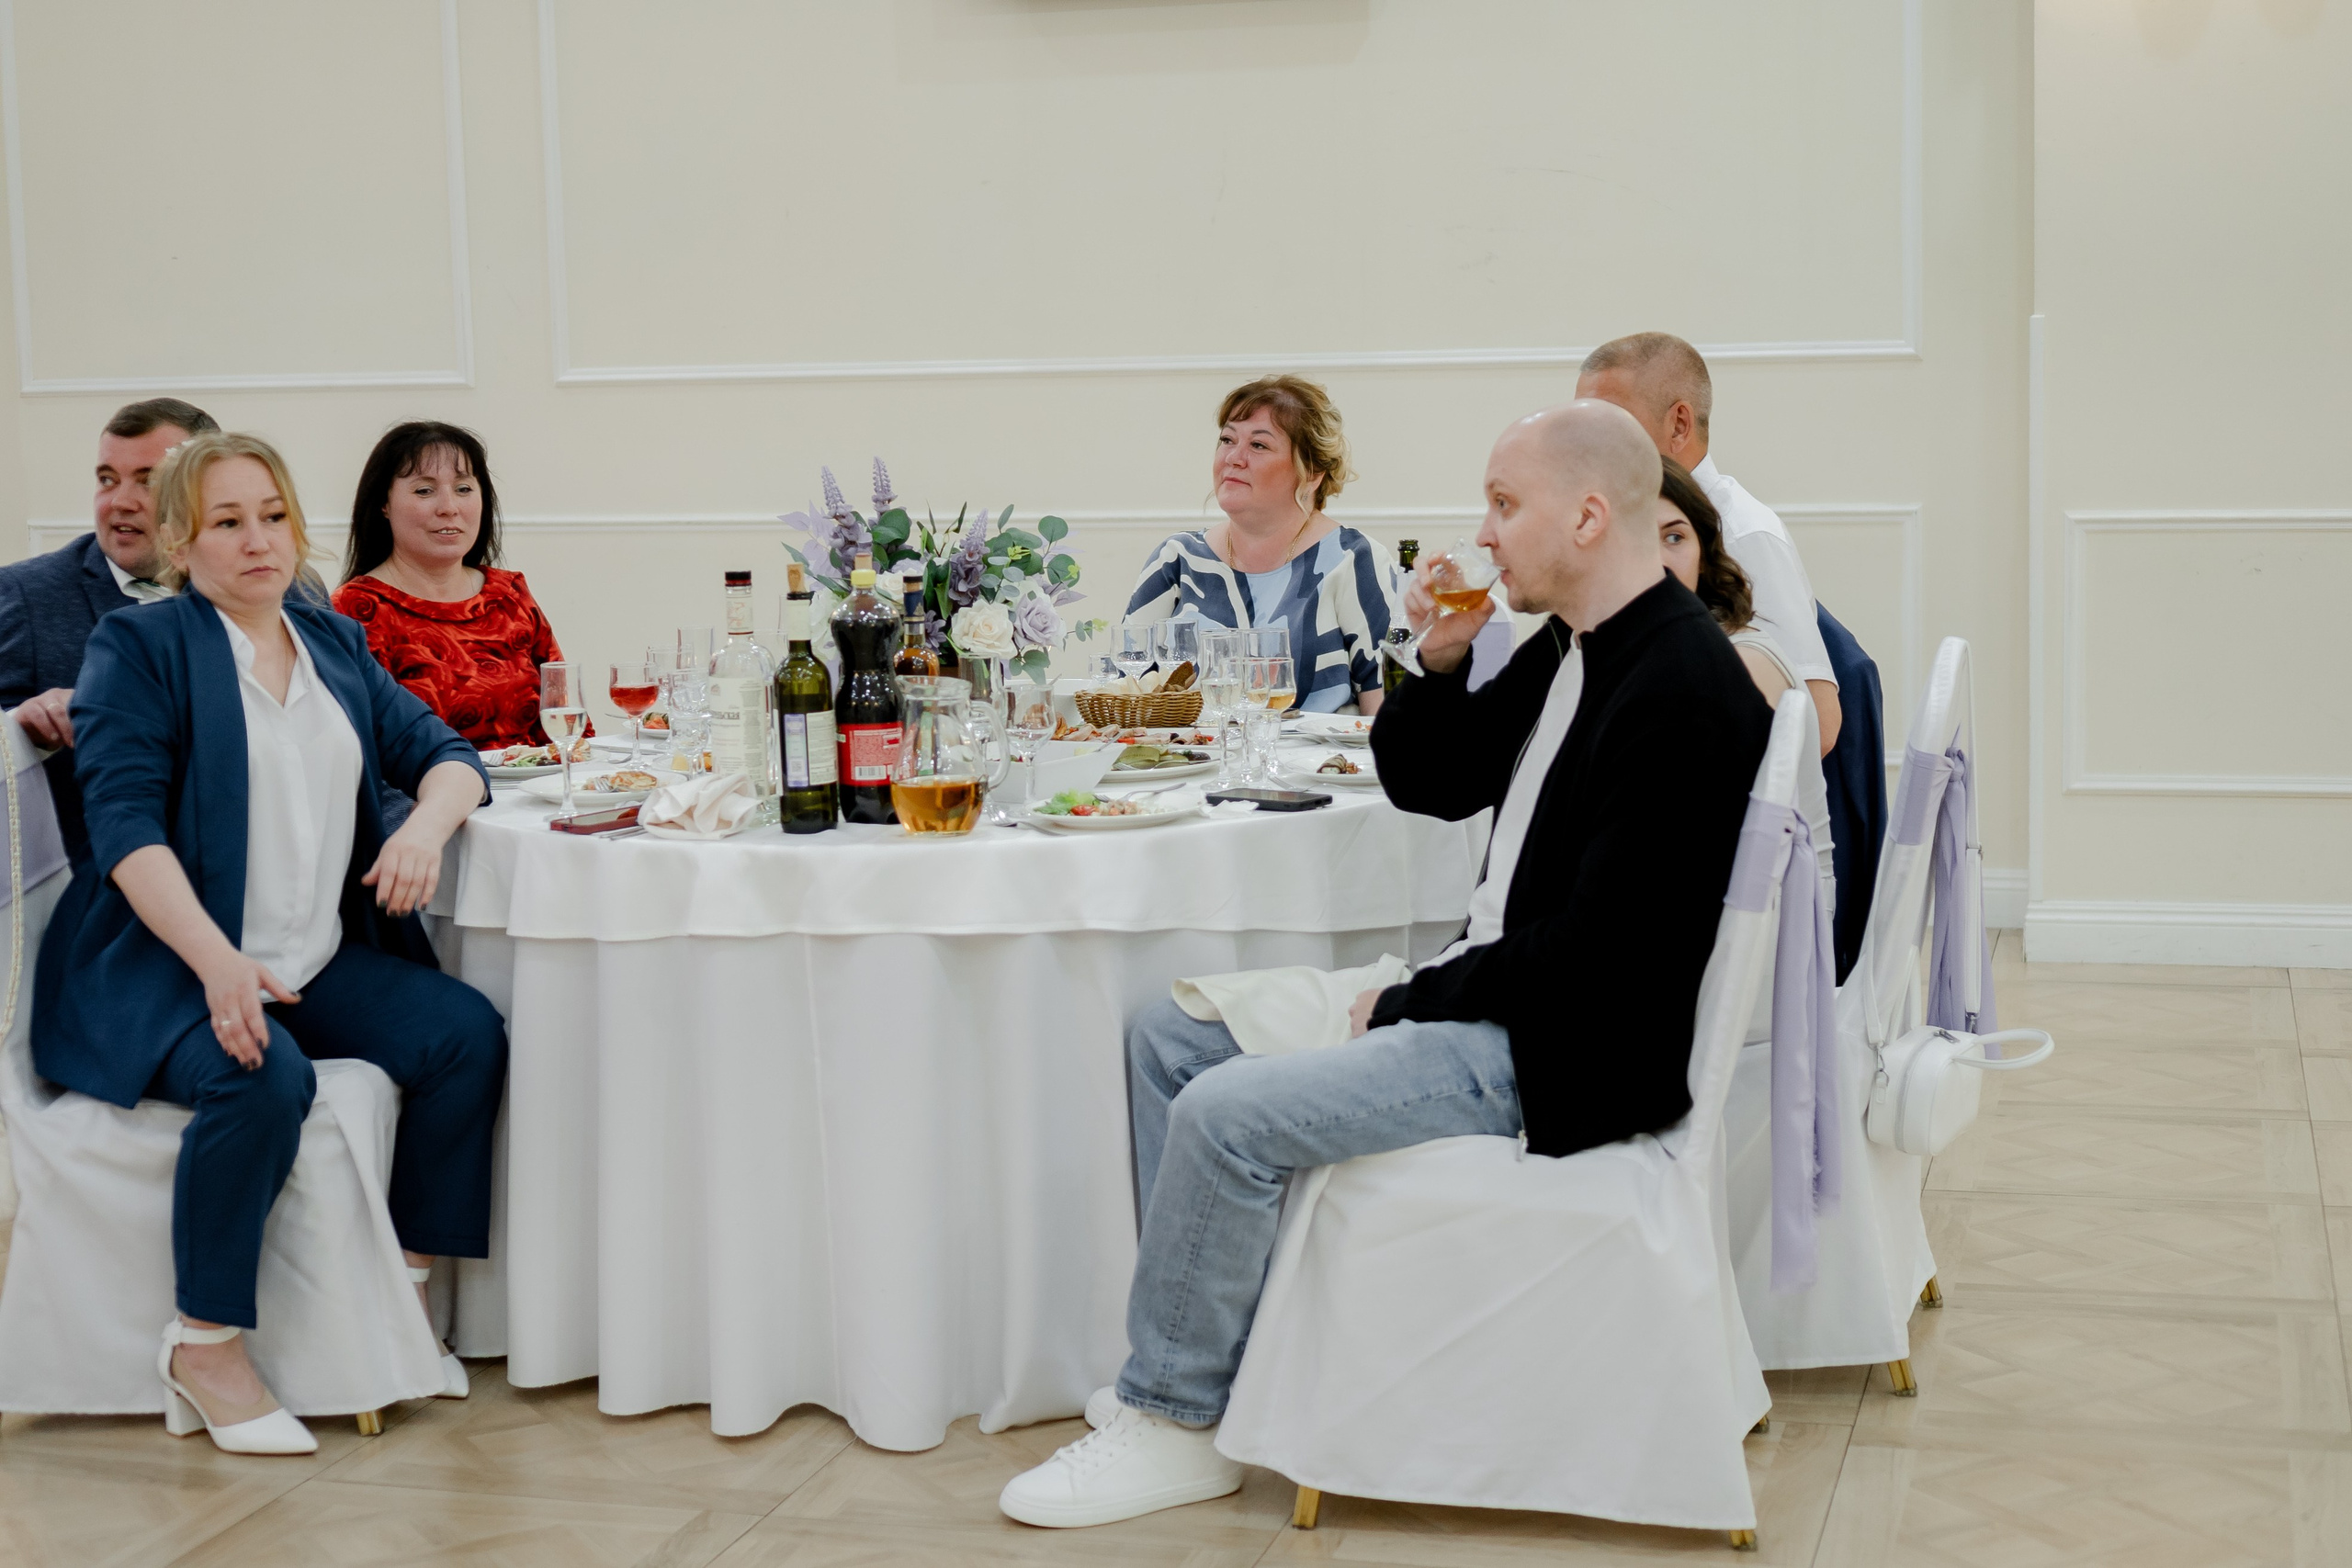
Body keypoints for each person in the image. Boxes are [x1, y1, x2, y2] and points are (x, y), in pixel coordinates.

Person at [998, 401, 1771, 1529]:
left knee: (1221, 1113)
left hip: (1557, 1056)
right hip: (1505, 1000)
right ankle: (1224, 1366)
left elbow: (1594, 956)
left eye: (1503, 505)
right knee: (1171, 1040)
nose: (1484, 533)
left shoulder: (1678, 684)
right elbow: (1432, 781)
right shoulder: (1577, 642)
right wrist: (1438, 659)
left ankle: (1171, 1422)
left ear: (1588, 517)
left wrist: (1406, 1001)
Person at [32, 433, 504, 1455]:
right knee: (260, 1075)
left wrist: (423, 829)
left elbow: (446, 754)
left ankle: (403, 1297)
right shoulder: (140, 648)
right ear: (178, 544)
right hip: (166, 966)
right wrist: (217, 965)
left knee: (463, 1035)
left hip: (309, 957)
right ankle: (204, 1343)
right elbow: (126, 829)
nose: (259, 541)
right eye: (227, 522)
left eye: (274, 516)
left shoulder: (329, 640)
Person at [1577, 333, 1842, 756]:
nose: (1585, 448)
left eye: (1607, 425)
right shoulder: (1624, 526)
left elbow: (1817, 723)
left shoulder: (1741, 535)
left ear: (1679, 425)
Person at [0, 398, 218, 862]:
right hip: (99, 880)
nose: (119, 502)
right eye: (107, 479)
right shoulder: (26, 596)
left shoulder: (280, 591)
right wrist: (19, 727)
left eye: (148, 480)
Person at [1123, 376, 1401, 714]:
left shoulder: (1352, 560)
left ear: (1312, 472)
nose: (1233, 457)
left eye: (1258, 445)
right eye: (1227, 439)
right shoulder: (1177, 559)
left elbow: (1388, 715)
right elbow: (1124, 695)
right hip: (1190, 748)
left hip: (1314, 750)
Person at [332, 421, 584, 750]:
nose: (449, 508)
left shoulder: (508, 594)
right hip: (430, 784)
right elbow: (364, 750)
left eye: (463, 489)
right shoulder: (356, 610)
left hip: (537, 779)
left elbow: (568, 724)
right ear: (384, 504)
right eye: (424, 491)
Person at [1658, 456, 1835, 918]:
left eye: (1674, 537)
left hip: (1769, 926)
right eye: (1636, 538)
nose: (1659, 561)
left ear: (1704, 552)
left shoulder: (1738, 663)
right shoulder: (1657, 649)